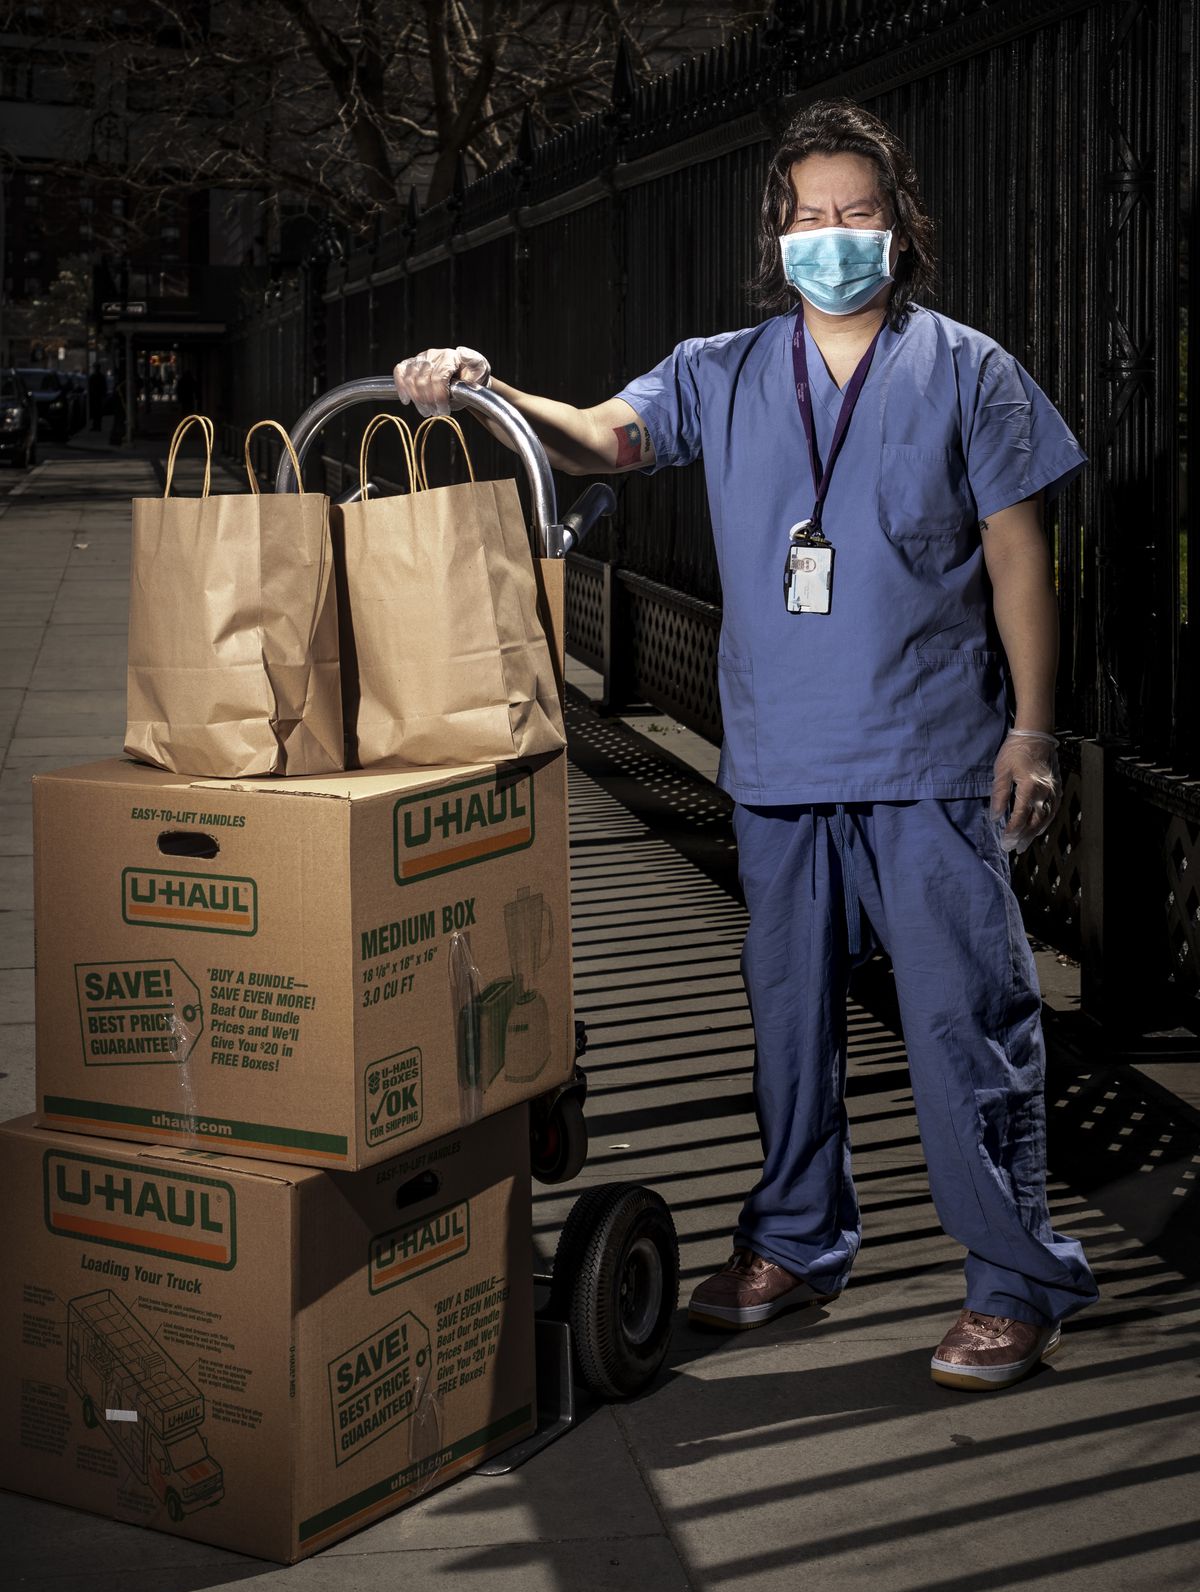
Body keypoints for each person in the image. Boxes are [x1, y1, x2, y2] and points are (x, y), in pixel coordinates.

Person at [393, 99, 1099, 1392]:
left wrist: (1034, 731)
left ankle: (1016, 1284)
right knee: (789, 1028)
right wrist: (488, 389)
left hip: (929, 759)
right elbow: (606, 436)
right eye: (809, 215)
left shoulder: (969, 371)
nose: (834, 235)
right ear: (777, 233)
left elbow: (1018, 559)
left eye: (858, 213)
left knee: (966, 1026)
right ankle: (794, 1244)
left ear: (900, 228)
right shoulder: (719, 371)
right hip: (779, 761)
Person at [87, 364, 106, 431]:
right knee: (95, 412)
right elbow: (90, 387)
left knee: (97, 412)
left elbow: (104, 387)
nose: (95, 369)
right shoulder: (94, 377)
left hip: (97, 397)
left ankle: (97, 426)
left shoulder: (98, 377)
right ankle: (96, 426)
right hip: (95, 397)